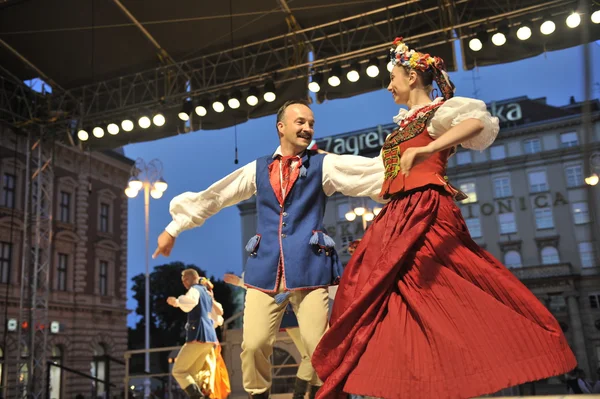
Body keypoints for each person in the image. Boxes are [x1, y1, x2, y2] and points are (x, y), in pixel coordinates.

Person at [311, 37, 577, 399]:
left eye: (393, 77)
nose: (388, 86)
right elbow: (379, 172)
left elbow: (476, 122)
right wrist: (330, 160)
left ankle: (494, 351)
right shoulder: (399, 130)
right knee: (379, 293)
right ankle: (412, 378)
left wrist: (430, 148)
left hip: (425, 211)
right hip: (397, 214)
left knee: (437, 291)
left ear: (412, 76)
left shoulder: (437, 114)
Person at [153, 99, 385, 399]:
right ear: (281, 127)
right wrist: (173, 229)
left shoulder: (323, 165)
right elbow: (216, 196)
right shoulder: (258, 169)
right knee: (254, 344)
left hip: (311, 269)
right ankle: (258, 395)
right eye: (300, 121)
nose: (307, 128)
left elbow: (368, 173)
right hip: (265, 272)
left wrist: (413, 166)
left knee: (319, 348)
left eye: (311, 123)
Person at [224, 273, 320, 399]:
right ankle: (299, 395)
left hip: (295, 309)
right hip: (292, 312)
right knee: (312, 354)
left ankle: (303, 394)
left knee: (313, 354)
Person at [168, 270, 221, 399]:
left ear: (189, 279)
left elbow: (189, 302)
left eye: (184, 280)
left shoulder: (195, 289)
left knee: (178, 371)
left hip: (199, 335)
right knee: (192, 374)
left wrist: (176, 301)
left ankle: (199, 397)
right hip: (210, 338)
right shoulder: (207, 294)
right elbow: (217, 314)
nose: (184, 283)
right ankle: (202, 395)